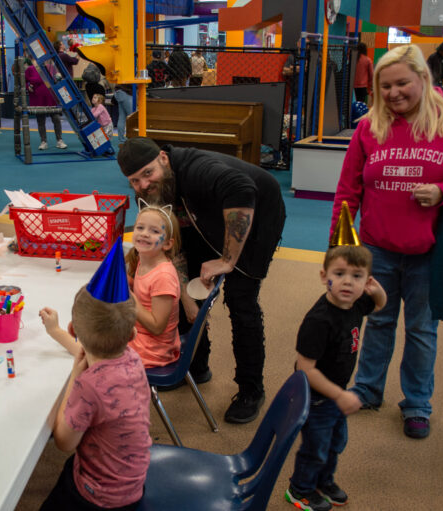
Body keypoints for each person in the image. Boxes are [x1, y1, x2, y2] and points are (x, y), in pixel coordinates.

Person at [331, 44, 443, 440]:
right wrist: (340, 247)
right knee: (379, 321)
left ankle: (417, 403)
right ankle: (368, 390)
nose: (393, 93)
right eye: (384, 86)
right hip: (377, 249)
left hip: (428, 253)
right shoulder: (369, 126)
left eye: (402, 83)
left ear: (423, 79)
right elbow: (347, 190)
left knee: (422, 330)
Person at [117, 137, 286, 424]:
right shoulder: (152, 192)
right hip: (204, 218)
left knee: (240, 300)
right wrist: (185, 296)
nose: (143, 184)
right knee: (188, 292)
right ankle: (196, 366)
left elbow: (242, 189)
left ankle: (251, 390)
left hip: (256, 215)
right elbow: (174, 249)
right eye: (134, 180)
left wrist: (228, 260)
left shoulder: (198, 168)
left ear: (163, 158)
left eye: (148, 173)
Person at [38, 241, 151, 510]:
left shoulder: (89, 386)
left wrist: (76, 378)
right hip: (132, 480)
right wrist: (57, 334)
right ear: (133, 335)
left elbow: (64, 442)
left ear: (74, 328)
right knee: (69, 468)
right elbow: (88, 353)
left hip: (101, 496)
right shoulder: (133, 359)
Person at [285, 230, 386, 511]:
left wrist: (378, 292)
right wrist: (339, 396)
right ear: (323, 276)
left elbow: (379, 305)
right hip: (317, 396)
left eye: (357, 276)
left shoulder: (354, 303)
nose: (347, 282)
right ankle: (300, 488)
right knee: (315, 448)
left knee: (335, 443)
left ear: (366, 280)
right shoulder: (319, 321)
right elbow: (306, 369)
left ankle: (323, 482)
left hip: (337, 392)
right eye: (339, 273)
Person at [125, 201, 181, 368]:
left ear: (167, 244)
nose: (144, 234)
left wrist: (129, 297)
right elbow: (144, 292)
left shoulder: (163, 277)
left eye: (155, 231)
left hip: (153, 349)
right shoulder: (145, 259)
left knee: (94, 348)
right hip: (140, 334)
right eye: (140, 228)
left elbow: (157, 327)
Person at [25, 61, 67, 150]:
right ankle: (43, 142)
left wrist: (59, 77)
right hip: (37, 99)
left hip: (51, 99)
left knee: (56, 119)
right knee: (41, 121)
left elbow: (57, 78)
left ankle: (59, 140)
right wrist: (27, 86)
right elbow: (24, 81)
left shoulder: (50, 67)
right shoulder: (30, 69)